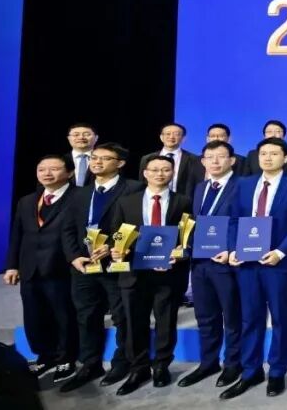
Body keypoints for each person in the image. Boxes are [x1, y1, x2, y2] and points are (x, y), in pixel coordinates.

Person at [222, 137, 287, 399]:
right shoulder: (244, 184)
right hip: (247, 263)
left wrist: (281, 252)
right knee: (250, 318)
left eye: (274, 153)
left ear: (286, 158)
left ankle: (277, 371)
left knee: (281, 318)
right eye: (263, 153)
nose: (268, 158)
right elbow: (233, 220)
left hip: (279, 263)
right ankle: (251, 371)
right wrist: (233, 249)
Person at [107, 155, 193, 395]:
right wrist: (117, 249)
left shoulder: (183, 201)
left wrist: (179, 254)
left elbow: (187, 235)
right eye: (154, 170)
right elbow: (117, 233)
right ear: (145, 173)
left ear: (172, 173)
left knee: (166, 321)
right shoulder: (126, 202)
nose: (160, 174)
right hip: (135, 273)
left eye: (165, 170)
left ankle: (162, 365)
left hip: (168, 272)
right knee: (135, 322)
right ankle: (139, 368)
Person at [60, 143, 142, 392]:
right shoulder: (79, 192)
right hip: (84, 265)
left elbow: (136, 224)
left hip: (116, 262)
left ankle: (122, 361)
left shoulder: (133, 188)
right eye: (94, 158)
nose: (97, 162)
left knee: (122, 316)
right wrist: (74, 257)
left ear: (120, 163)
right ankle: (90, 364)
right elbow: (68, 228)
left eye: (105, 159)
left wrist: (113, 246)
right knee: (86, 315)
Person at [4, 155, 79, 382]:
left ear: (69, 173)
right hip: (30, 268)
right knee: (34, 315)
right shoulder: (27, 201)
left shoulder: (79, 197)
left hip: (61, 267)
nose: (47, 173)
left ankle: (66, 358)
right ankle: (45, 355)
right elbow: (17, 235)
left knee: (63, 315)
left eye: (54, 169)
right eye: (41, 169)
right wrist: (12, 265)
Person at [179, 140, 243, 389]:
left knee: (232, 316)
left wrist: (232, 249)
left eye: (221, 156)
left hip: (227, 262)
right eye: (209, 157)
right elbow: (194, 224)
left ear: (232, 160)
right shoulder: (200, 188)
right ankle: (208, 362)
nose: (215, 161)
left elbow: (246, 222)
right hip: (199, 262)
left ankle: (233, 363)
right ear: (203, 161)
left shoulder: (243, 186)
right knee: (205, 316)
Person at [139, 123, 204, 197]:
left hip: (182, 200)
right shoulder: (147, 158)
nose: (171, 137)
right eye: (168, 134)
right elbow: (142, 182)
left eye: (176, 134)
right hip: (154, 199)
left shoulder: (194, 159)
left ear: (183, 138)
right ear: (161, 137)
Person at [66, 123, 98, 188]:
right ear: (69, 138)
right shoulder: (61, 160)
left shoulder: (105, 160)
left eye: (87, 134)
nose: (81, 137)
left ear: (96, 138)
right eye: (76, 135)